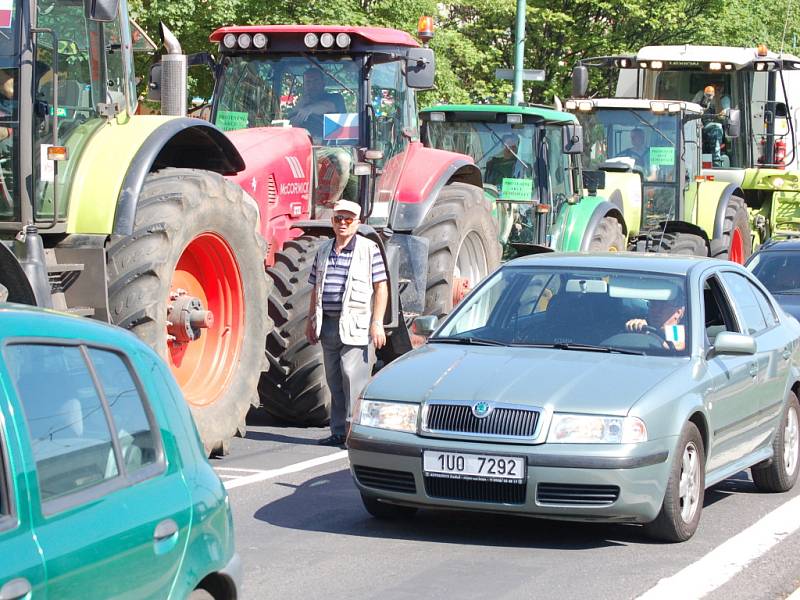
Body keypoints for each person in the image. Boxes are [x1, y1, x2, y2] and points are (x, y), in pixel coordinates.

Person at [306, 199, 388, 447]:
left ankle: (354, 433)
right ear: (332, 222)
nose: (343, 223)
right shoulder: (323, 250)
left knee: (352, 377)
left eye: (348, 219)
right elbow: (315, 288)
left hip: (357, 324)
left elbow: (381, 287)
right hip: (328, 323)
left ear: (358, 223)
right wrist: (311, 320)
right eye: (338, 219)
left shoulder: (368, 248)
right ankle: (339, 431)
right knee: (334, 379)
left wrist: (377, 322)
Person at [289, 67, 346, 140]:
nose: (312, 85)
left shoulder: (336, 98)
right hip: (306, 144)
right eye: (308, 82)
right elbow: (291, 123)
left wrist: (310, 109)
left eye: (316, 81)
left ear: (323, 83)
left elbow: (329, 106)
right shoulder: (302, 103)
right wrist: (301, 105)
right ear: (304, 85)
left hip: (335, 146)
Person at [696, 84, 731, 167]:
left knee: (717, 127)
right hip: (698, 126)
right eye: (715, 85)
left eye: (719, 86)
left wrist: (717, 97)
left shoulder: (724, 99)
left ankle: (716, 162)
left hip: (715, 130)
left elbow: (722, 116)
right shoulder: (701, 95)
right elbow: (693, 109)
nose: (717, 88)